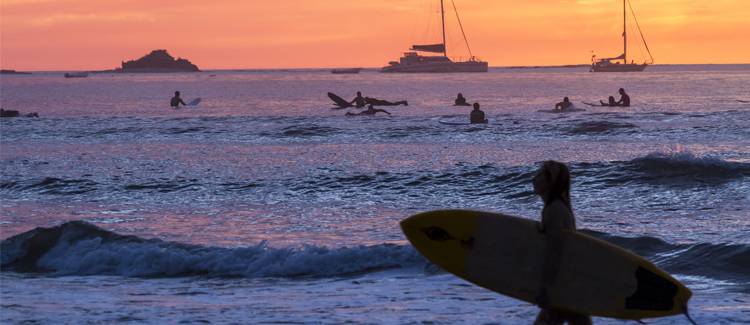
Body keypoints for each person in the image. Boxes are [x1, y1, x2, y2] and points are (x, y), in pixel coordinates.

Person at [532, 161, 592, 325]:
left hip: (563, 286)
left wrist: (546, 288)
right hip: (570, 284)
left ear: (550, 182)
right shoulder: (556, 207)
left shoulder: (555, 210)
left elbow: (555, 251)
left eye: (539, 175)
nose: (534, 179)